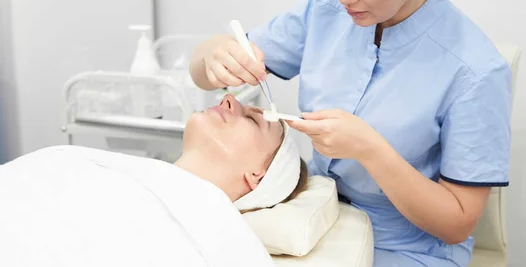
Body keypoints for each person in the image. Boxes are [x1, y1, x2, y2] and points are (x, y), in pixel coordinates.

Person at [189, 0, 512, 266]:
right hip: (321, 222)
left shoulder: (475, 71)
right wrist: (214, 55)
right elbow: (202, 71)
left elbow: (457, 223)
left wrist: (371, 150)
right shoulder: (324, 7)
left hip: (407, 250)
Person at [0, 94, 308, 266]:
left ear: (258, 176)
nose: (230, 100)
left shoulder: (223, 240)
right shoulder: (97, 165)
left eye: (252, 119)